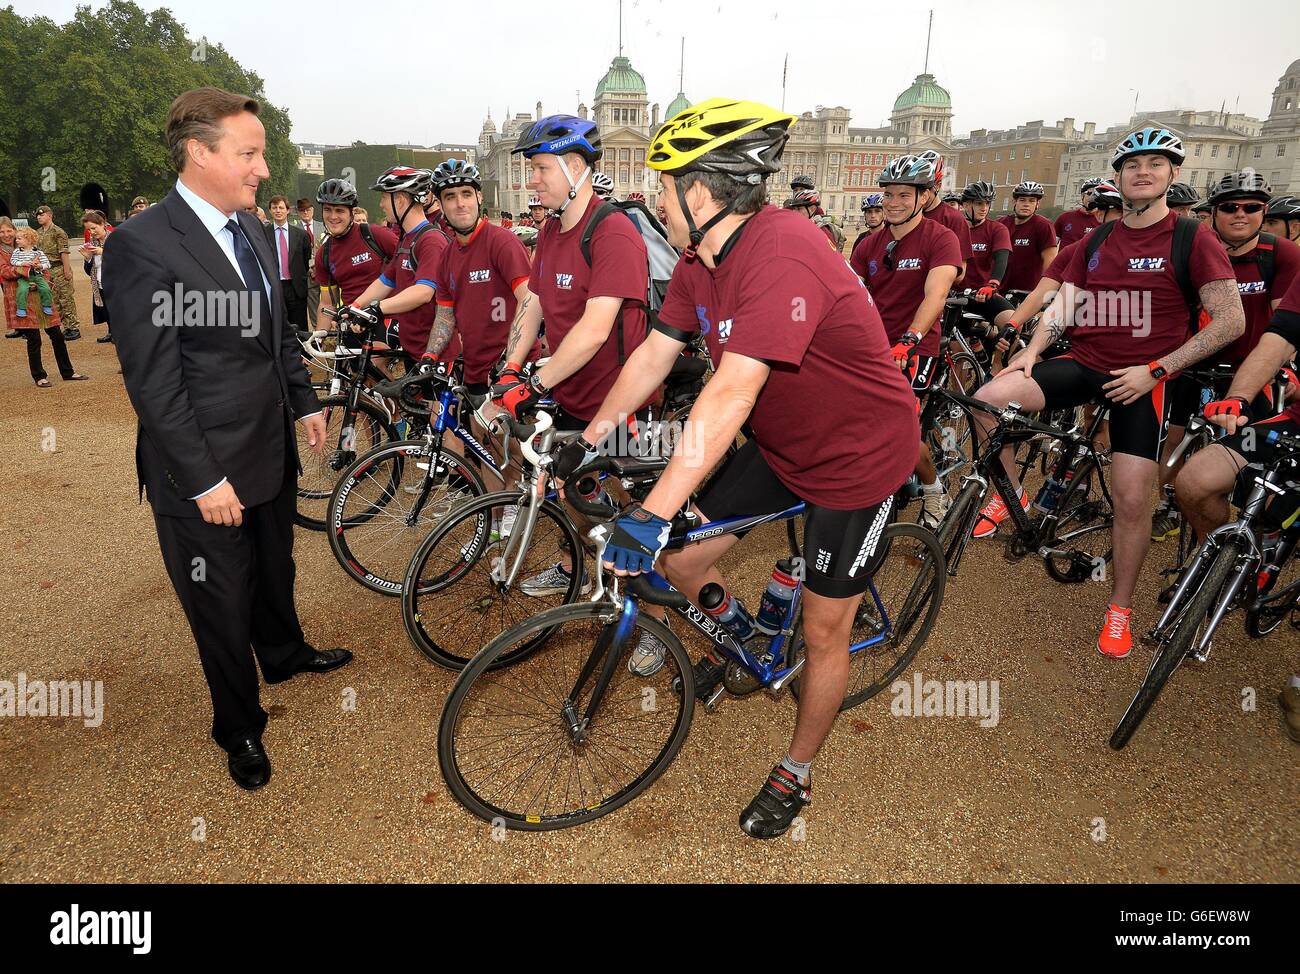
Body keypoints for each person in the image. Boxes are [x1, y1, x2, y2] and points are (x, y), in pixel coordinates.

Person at [568, 97, 917, 838]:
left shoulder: (783, 248)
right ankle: (749, 637)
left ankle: (797, 771)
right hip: (787, 447)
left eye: (664, 185)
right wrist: (590, 434)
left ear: (700, 192)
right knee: (685, 566)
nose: (654, 198)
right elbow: (656, 353)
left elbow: (729, 392)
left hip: (859, 458)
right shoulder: (701, 260)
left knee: (824, 634)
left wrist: (653, 511)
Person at [103, 86, 350, 791]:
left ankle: (283, 652)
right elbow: (154, 384)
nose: (263, 170)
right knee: (219, 598)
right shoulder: (139, 247)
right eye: (249, 154)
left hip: (267, 448)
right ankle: (237, 724)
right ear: (198, 153)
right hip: (202, 470)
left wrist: (302, 401)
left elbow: (275, 336)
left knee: (276, 569)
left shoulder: (248, 230)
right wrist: (204, 479)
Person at [974, 127, 1244, 658]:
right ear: (1118, 177)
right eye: (1132, 165)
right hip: (1083, 362)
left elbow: (1229, 321)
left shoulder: (1192, 236)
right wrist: (1032, 349)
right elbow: (1065, 305)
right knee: (987, 401)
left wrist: (1158, 369)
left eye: (1155, 164)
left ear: (1173, 175)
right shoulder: (1097, 240)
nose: (1143, 171)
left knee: (1130, 499)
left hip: (1144, 379)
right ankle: (1015, 496)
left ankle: (1118, 608)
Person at [490, 113, 651, 597]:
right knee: (577, 491)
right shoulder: (552, 230)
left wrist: (534, 384)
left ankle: (656, 615)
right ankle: (572, 565)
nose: (530, 180)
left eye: (540, 168)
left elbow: (595, 330)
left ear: (576, 166)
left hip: (621, 400)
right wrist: (512, 368)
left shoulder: (613, 232)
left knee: (638, 509)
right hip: (572, 392)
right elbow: (534, 305)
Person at [1173, 273, 1300, 745]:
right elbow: (1277, 338)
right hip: (1290, 423)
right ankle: (1228, 561)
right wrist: (1240, 398)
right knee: (1194, 480)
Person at [1152, 170, 1300, 542]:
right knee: (1174, 439)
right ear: (1215, 212)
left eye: (1252, 208)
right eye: (1230, 206)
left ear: (1264, 213)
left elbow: (1287, 327)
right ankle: (1170, 505)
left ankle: (1249, 533)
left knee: (1255, 456)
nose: (1240, 214)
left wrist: (1280, 369)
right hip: (1195, 363)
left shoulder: (1281, 253)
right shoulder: (1195, 248)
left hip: (1254, 370)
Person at [849, 154, 961, 528]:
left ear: (925, 197)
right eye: (889, 194)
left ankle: (933, 493)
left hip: (914, 348)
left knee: (901, 432)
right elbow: (850, 294)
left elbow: (937, 293)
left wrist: (909, 339)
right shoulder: (868, 244)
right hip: (873, 347)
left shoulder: (940, 238)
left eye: (903, 195)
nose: (893, 202)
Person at [349, 167, 448, 361]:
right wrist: (356, 306)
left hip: (434, 352)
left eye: (384, 197)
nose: (381, 204)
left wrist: (377, 308)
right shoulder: (407, 239)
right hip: (413, 345)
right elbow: (386, 281)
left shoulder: (431, 240)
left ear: (400, 200)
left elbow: (423, 292)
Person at [0, 217, 86, 387]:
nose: (6, 235)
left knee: (57, 334)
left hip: (40, 295)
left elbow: (45, 267)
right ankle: (39, 376)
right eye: (2, 231)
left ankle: (67, 371)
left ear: (15, 230)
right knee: (34, 339)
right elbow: (5, 271)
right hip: (21, 297)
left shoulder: (30, 246)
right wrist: (28, 268)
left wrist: (42, 277)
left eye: (9, 230)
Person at [311, 178, 397, 329]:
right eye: (327, 210)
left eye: (339, 210)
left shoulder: (375, 235)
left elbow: (409, 269)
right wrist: (317, 342)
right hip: (352, 325)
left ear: (352, 212)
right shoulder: (324, 254)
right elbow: (327, 304)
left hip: (387, 322)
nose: (333, 217)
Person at [958, 180, 1017, 343]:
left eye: (987, 203)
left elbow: (1001, 257)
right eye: (978, 203)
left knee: (1012, 323)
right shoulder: (953, 229)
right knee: (956, 347)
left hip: (983, 293)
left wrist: (992, 284)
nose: (984, 208)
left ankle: (997, 365)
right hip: (956, 295)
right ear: (965, 204)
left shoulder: (997, 229)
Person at [917, 151, 972, 282]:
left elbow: (960, 273)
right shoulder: (905, 215)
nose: (920, 195)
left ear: (938, 186)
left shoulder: (954, 219)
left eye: (925, 189)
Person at [997, 181, 1057, 293]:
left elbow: (1050, 262)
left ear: (1037, 204)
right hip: (999, 289)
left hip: (1027, 293)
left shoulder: (1044, 226)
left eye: (1032, 201)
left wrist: (1042, 292)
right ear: (1014, 202)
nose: (1026, 204)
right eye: (1022, 200)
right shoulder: (1002, 224)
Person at [263, 195, 312, 329]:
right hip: (274, 286)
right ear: (270, 211)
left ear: (288, 210)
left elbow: (305, 258)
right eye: (274, 208)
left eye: (281, 207)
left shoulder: (301, 234)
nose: (278, 211)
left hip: (296, 287)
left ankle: (301, 350)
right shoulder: (263, 234)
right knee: (278, 326)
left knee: (300, 326)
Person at [34, 205, 81, 341]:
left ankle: (72, 327)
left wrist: (67, 270)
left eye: (42, 215)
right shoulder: (38, 233)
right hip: (45, 270)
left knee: (65, 299)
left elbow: (64, 253)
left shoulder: (58, 232)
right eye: (37, 215)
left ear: (50, 215)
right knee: (53, 299)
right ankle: (59, 325)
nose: (39, 217)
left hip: (59, 268)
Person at [80, 211, 113, 343]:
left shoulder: (114, 238)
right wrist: (88, 259)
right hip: (99, 282)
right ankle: (112, 332)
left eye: (94, 228)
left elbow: (123, 260)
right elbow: (89, 271)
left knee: (117, 310)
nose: (92, 232)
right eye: (89, 229)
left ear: (103, 224)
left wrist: (103, 252)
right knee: (106, 310)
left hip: (115, 283)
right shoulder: (92, 243)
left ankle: (121, 335)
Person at [10, 227, 56, 318]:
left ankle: (47, 305)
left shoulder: (38, 252)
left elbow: (47, 264)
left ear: (29, 240)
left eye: (19, 238)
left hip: (37, 275)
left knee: (45, 288)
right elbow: (13, 261)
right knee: (22, 289)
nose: (16, 241)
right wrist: (22, 263)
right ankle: (21, 308)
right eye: (16, 238)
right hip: (23, 276)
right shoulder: (17, 252)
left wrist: (39, 266)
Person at [1054, 177, 1102, 248]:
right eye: (1090, 193)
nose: (1093, 198)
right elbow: (1051, 245)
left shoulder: (1105, 222)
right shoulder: (1065, 218)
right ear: (1082, 195)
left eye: (1098, 194)